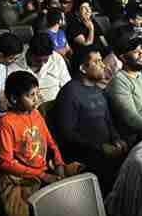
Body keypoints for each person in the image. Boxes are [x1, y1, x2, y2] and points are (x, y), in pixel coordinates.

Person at [0, 68, 81, 216]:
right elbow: (5, 163)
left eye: (37, 93)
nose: (37, 99)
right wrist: (42, 175)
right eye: (31, 95)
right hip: (20, 177)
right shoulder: (5, 123)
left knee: (79, 180)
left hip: (44, 170)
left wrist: (59, 164)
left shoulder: (36, 114)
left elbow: (51, 143)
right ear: (14, 99)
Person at [54, 44, 128, 188]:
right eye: (97, 62)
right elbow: (67, 134)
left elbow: (108, 120)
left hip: (107, 150)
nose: (103, 65)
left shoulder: (97, 89)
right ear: (83, 68)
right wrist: (101, 148)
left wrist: (116, 138)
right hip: (86, 156)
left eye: (101, 60)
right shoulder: (69, 93)